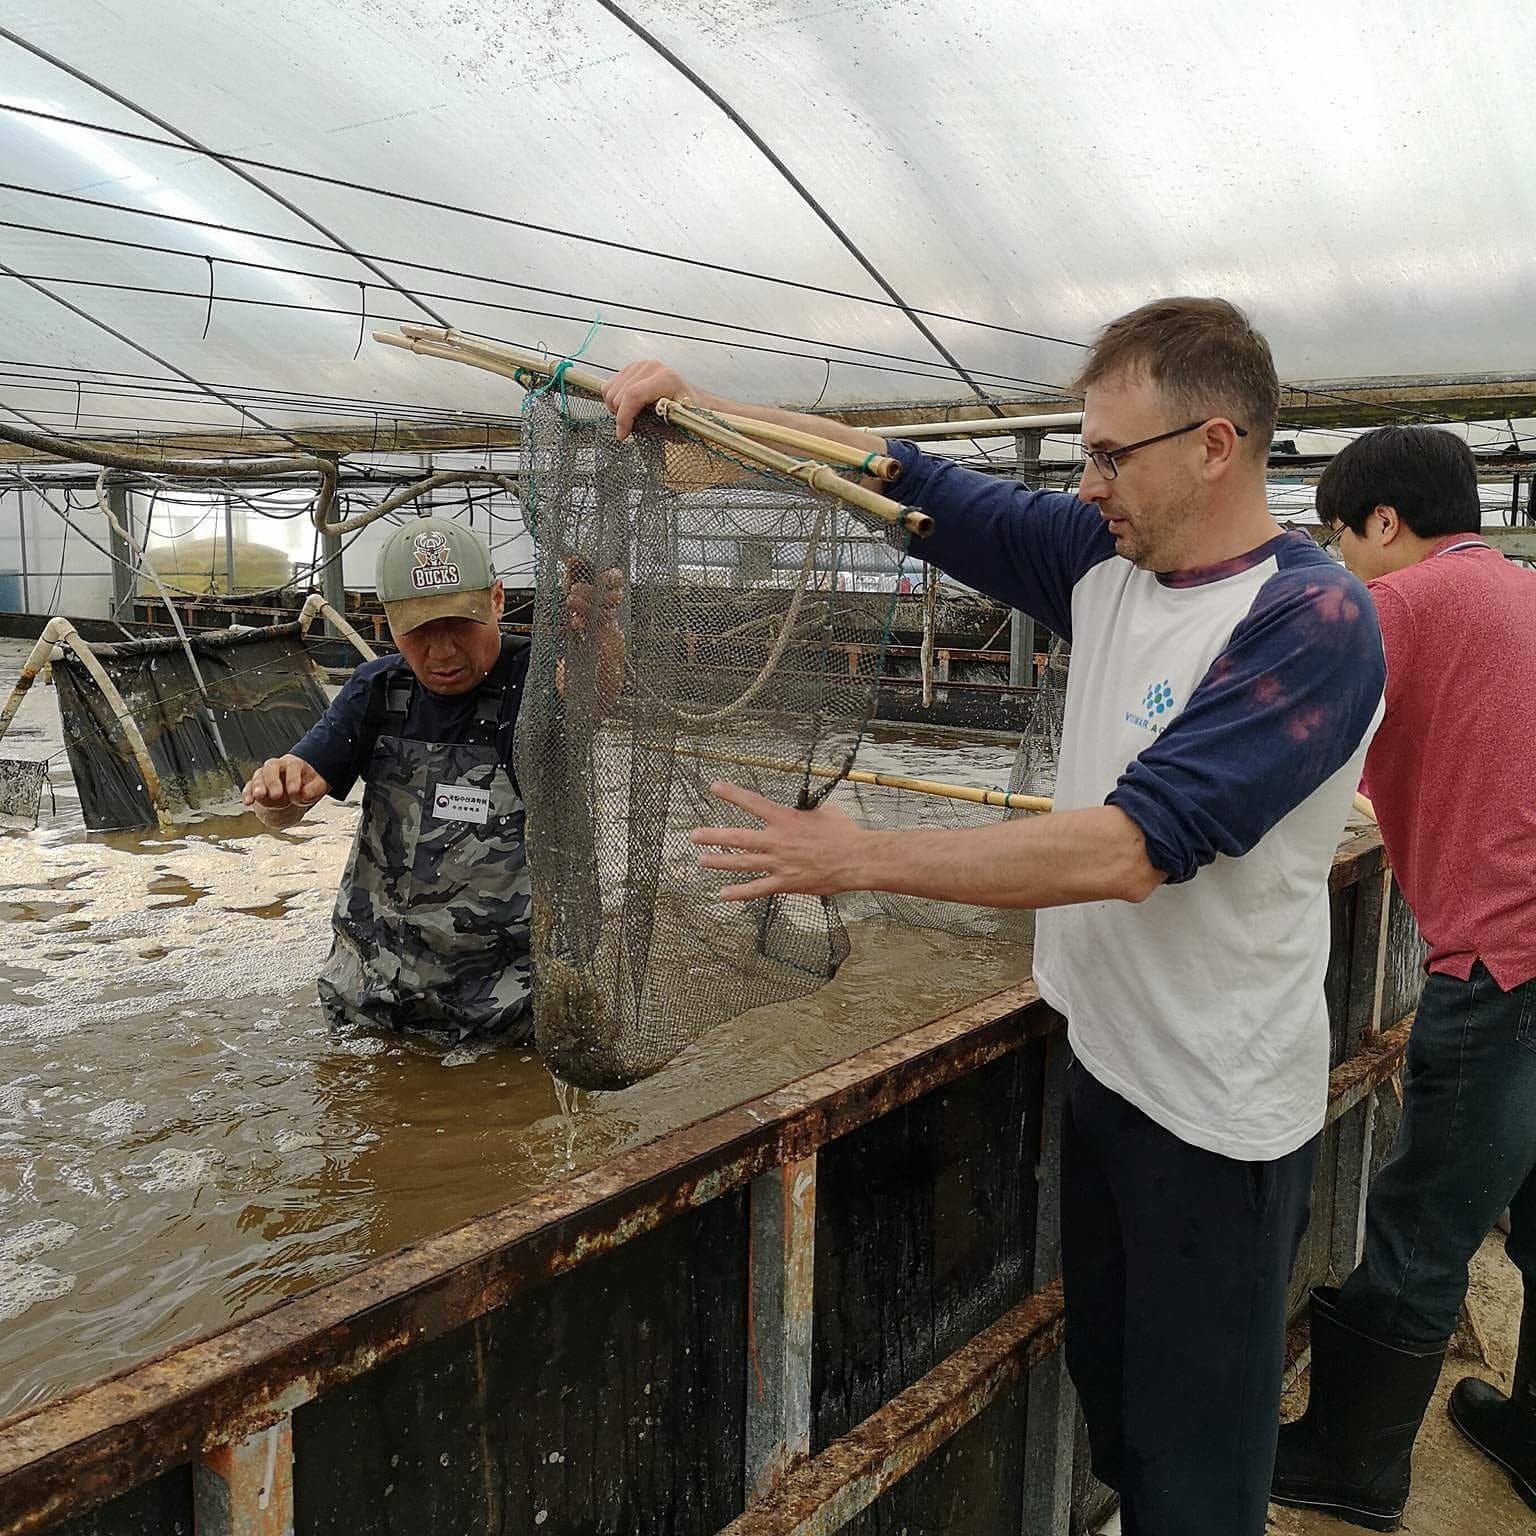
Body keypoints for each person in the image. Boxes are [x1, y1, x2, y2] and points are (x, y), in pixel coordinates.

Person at [603, 297, 1385, 1536]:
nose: (1087, 483)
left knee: (1198, 1473)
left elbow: (1131, 850)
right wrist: (703, 415)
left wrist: (866, 859)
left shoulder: (1312, 623)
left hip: (1216, 1117)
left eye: (1109, 455)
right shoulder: (1103, 558)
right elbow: (899, 477)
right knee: (1118, 1406)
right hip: (1106, 1066)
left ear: (1215, 445)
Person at [1271, 427, 1536, 1529]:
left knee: (1422, 1223)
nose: (1339, 558)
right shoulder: (1520, 592)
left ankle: (1353, 1466)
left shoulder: (1397, 605)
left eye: (1340, 533)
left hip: (1504, 961)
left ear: (1385, 521)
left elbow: (1271, 728)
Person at [242, 516, 622, 1044]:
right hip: (373, 1000)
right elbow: (282, 810)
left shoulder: (537, 683)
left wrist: (600, 640)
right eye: (418, 631)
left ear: (496, 600)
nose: (441, 653)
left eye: (459, 624)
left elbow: (592, 699)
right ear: (389, 620)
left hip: (510, 1011)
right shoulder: (377, 690)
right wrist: (278, 790)